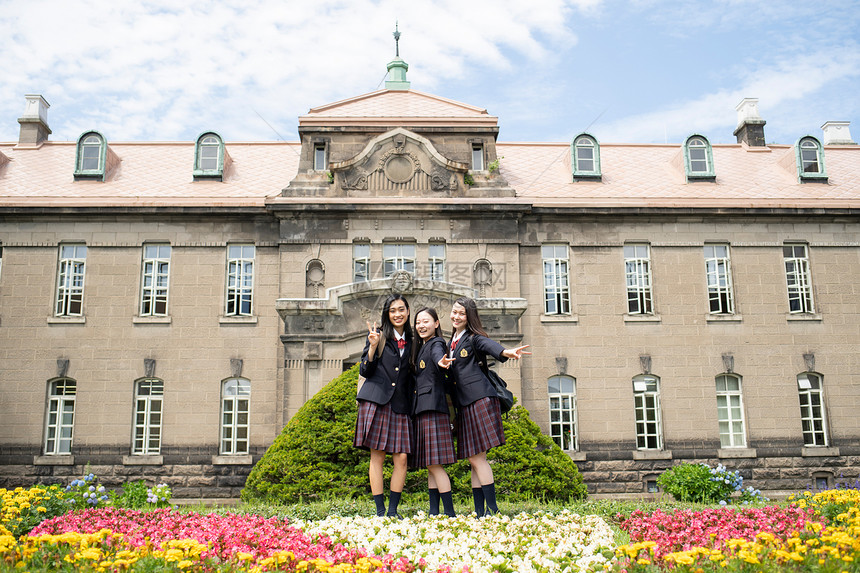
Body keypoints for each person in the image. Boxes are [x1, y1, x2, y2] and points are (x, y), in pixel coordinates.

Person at [439, 296, 530, 517]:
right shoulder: (453, 341)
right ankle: (481, 513)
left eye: (461, 314)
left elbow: (487, 344)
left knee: (477, 458)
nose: (456, 317)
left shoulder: (472, 338)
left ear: (469, 317)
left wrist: (505, 352)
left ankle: (493, 511)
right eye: (454, 312)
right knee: (474, 458)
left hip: (479, 400)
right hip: (465, 404)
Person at [354, 294, 414, 517]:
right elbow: (365, 371)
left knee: (402, 458)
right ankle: (380, 511)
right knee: (377, 456)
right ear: (387, 314)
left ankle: (392, 511)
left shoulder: (414, 340)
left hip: (400, 404)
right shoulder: (377, 336)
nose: (397, 314)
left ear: (408, 311)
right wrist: (371, 348)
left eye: (401, 309)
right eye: (392, 310)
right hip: (377, 400)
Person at [411, 307, 457, 517]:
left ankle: (449, 513)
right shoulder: (421, 346)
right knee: (431, 463)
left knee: (434, 463)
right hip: (423, 407)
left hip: (433, 407)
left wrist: (442, 362)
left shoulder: (436, 343)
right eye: (418, 322)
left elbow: (440, 355)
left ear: (436, 324)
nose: (421, 325)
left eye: (426, 321)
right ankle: (433, 511)